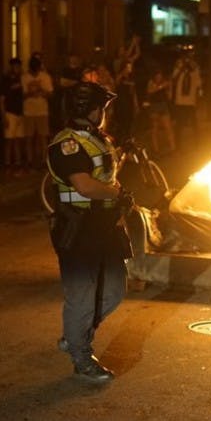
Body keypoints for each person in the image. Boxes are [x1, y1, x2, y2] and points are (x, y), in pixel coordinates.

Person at [46, 81, 133, 382]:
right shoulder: (66, 143)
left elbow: (104, 171)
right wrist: (114, 194)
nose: (105, 114)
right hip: (78, 227)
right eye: (103, 108)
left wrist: (122, 156)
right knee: (82, 297)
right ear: (92, 111)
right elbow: (84, 184)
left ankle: (75, 335)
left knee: (114, 289)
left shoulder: (96, 138)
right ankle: (81, 356)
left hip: (104, 225)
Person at [22, 54, 53, 170]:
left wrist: (40, 90)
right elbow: (23, 95)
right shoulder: (24, 77)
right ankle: (30, 161)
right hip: (29, 111)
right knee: (29, 137)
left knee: (42, 137)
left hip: (42, 111)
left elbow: (50, 94)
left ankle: (43, 160)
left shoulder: (45, 77)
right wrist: (31, 92)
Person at [0, 57, 26, 177]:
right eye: (14, 66)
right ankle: (7, 165)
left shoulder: (22, 79)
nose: (17, 68)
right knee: (9, 141)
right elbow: (1, 99)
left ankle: (18, 165)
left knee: (18, 141)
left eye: (18, 66)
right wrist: (3, 114)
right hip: (10, 113)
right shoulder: (5, 80)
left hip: (20, 113)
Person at [171, 50, 202, 146]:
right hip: (180, 102)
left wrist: (194, 67)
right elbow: (174, 78)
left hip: (190, 102)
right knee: (179, 125)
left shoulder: (194, 71)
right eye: (186, 58)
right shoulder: (179, 70)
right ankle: (178, 145)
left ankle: (197, 143)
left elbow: (198, 84)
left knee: (194, 125)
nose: (187, 61)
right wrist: (181, 67)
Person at [143, 69, 175, 155]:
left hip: (163, 105)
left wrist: (169, 88)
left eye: (160, 75)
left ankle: (173, 148)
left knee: (168, 127)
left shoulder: (165, 82)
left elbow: (169, 95)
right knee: (155, 128)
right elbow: (150, 91)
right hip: (154, 106)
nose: (159, 77)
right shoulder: (151, 82)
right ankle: (156, 149)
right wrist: (161, 86)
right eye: (157, 75)